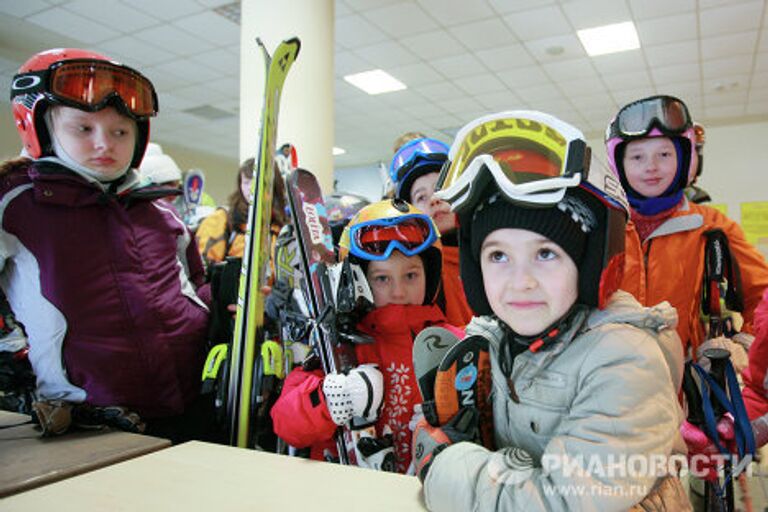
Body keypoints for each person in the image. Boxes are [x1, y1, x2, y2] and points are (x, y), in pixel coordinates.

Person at [412, 111, 689, 510]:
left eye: (545, 253)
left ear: (591, 265)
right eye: (498, 256)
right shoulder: (498, 342)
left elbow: (557, 503)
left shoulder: (625, 361)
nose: (520, 281)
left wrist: (443, 464)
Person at [1, 48, 211, 441]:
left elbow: (193, 286)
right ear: (38, 126)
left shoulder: (159, 211)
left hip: (190, 402)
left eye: (120, 132)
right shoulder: (17, 205)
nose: (105, 144)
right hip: (89, 421)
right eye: (83, 129)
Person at [271, 199, 462, 474]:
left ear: (430, 275)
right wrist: (329, 400)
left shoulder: (451, 344)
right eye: (382, 278)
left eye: (411, 275)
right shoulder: (341, 347)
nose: (398, 291)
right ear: (359, 281)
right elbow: (285, 423)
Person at [605, 95, 768, 360]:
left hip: (681, 381)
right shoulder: (600, 224)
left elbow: (762, 295)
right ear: (619, 164)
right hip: (604, 377)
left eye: (664, 154)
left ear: (683, 157)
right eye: (637, 156)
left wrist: (748, 344)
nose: (651, 167)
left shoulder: (712, 226)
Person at [390, 138, 474, 326]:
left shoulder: (488, 252)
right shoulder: (417, 270)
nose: (434, 199)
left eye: (441, 188)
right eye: (421, 197)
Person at [196, 157, 286, 268]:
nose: (251, 189)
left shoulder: (283, 224)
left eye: (257, 182)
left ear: (273, 185)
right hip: (233, 282)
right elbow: (203, 270)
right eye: (246, 182)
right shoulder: (222, 219)